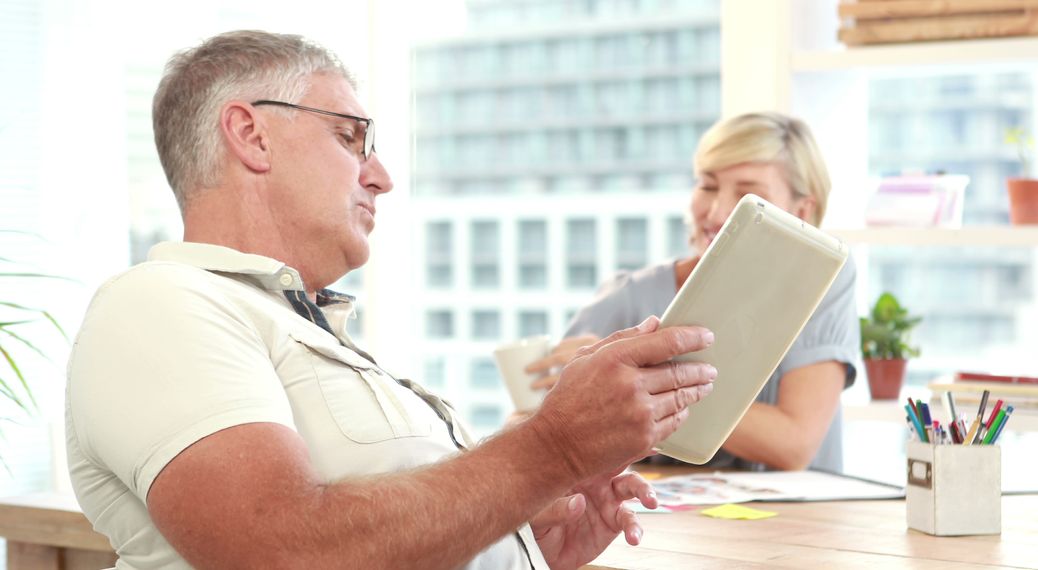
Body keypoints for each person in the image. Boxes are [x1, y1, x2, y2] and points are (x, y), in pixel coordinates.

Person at [65, 30, 719, 569]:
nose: (381, 177)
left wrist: (521, 544)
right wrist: (553, 451)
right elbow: (280, 551)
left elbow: (373, 538)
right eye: (351, 139)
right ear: (251, 135)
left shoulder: (301, 328)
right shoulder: (160, 305)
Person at [528, 112, 860, 473]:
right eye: (707, 186)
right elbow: (543, 435)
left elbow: (793, 444)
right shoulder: (629, 297)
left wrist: (634, 388)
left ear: (802, 209)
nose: (717, 213)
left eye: (749, 195)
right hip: (671, 524)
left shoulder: (822, 284)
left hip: (802, 524)